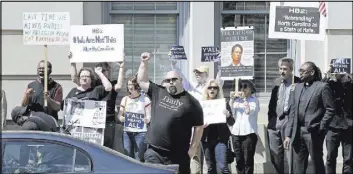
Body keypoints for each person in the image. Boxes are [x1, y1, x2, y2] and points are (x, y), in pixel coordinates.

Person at [137, 52, 204, 174]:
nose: (171, 82)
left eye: (174, 79)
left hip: (178, 156)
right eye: (168, 80)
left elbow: (199, 126)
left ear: (181, 80)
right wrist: (144, 63)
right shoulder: (158, 92)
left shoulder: (191, 102)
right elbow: (141, 81)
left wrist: (193, 149)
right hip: (154, 153)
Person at [283, 61, 335, 174]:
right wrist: (288, 134)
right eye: (299, 71)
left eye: (303, 71)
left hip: (314, 131)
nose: (300, 74)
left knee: (316, 163)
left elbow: (330, 109)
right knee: (299, 165)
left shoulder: (322, 87)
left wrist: (321, 127)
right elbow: (292, 112)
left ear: (312, 72)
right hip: (298, 132)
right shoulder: (297, 88)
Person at [69, 52, 125, 150]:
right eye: (100, 70)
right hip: (92, 123)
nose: (102, 72)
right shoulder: (94, 85)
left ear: (109, 71)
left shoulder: (112, 84)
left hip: (107, 122)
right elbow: (75, 79)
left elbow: (118, 85)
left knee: (108, 151)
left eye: (104, 70)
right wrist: (72, 62)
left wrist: (121, 66)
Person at [267, 58, 300, 174]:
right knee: (275, 155)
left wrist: (295, 91)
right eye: (280, 69)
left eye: (285, 69)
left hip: (289, 119)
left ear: (291, 70)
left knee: (289, 155)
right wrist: (270, 120)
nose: (282, 71)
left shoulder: (298, 82)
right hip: (275, 120)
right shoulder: (276, 82)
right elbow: (272, 103)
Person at [322, 67, 352, 174]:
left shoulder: (350, 81)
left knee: (348, 159)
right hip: (332, 126)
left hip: (349, 126)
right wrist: (327, 74)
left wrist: (347, 75)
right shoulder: (330, 83)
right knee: (330, 157)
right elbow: (320, 88)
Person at [201, 79, 235, 174]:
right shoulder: (202, 105)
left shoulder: (223, 104)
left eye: (215, 88)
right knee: (211, 168)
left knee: (223, 167)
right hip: (206, 139)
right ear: (206, 90)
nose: (212, 90)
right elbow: (196, 122)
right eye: (210, 87)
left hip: (221, 139)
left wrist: (228, 116)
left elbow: (232, 122)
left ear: (218, 90)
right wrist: (201, 125)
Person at [117, 76, 151, 161]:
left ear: (137, 85)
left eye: (132, 84)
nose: (130, 86)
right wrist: (121, 118)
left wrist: (147, 119)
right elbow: (119, 115)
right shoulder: (125, 99)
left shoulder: (145, 99)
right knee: (127, 155)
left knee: (138, 156)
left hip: (141, 132)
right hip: (127, 132)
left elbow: (149, 116)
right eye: (128, 84)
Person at [229, 80, 260, 174]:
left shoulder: (254, 100)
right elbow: (231, 111)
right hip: (236, 133)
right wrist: (231, 98)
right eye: (240, 87)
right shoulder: (236, 100)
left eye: (245, 87)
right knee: (238, 159)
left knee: (248, 160)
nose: (242, 89)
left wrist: (245, 100)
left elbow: (248, 111)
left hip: (249, 133)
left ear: (251, 88)